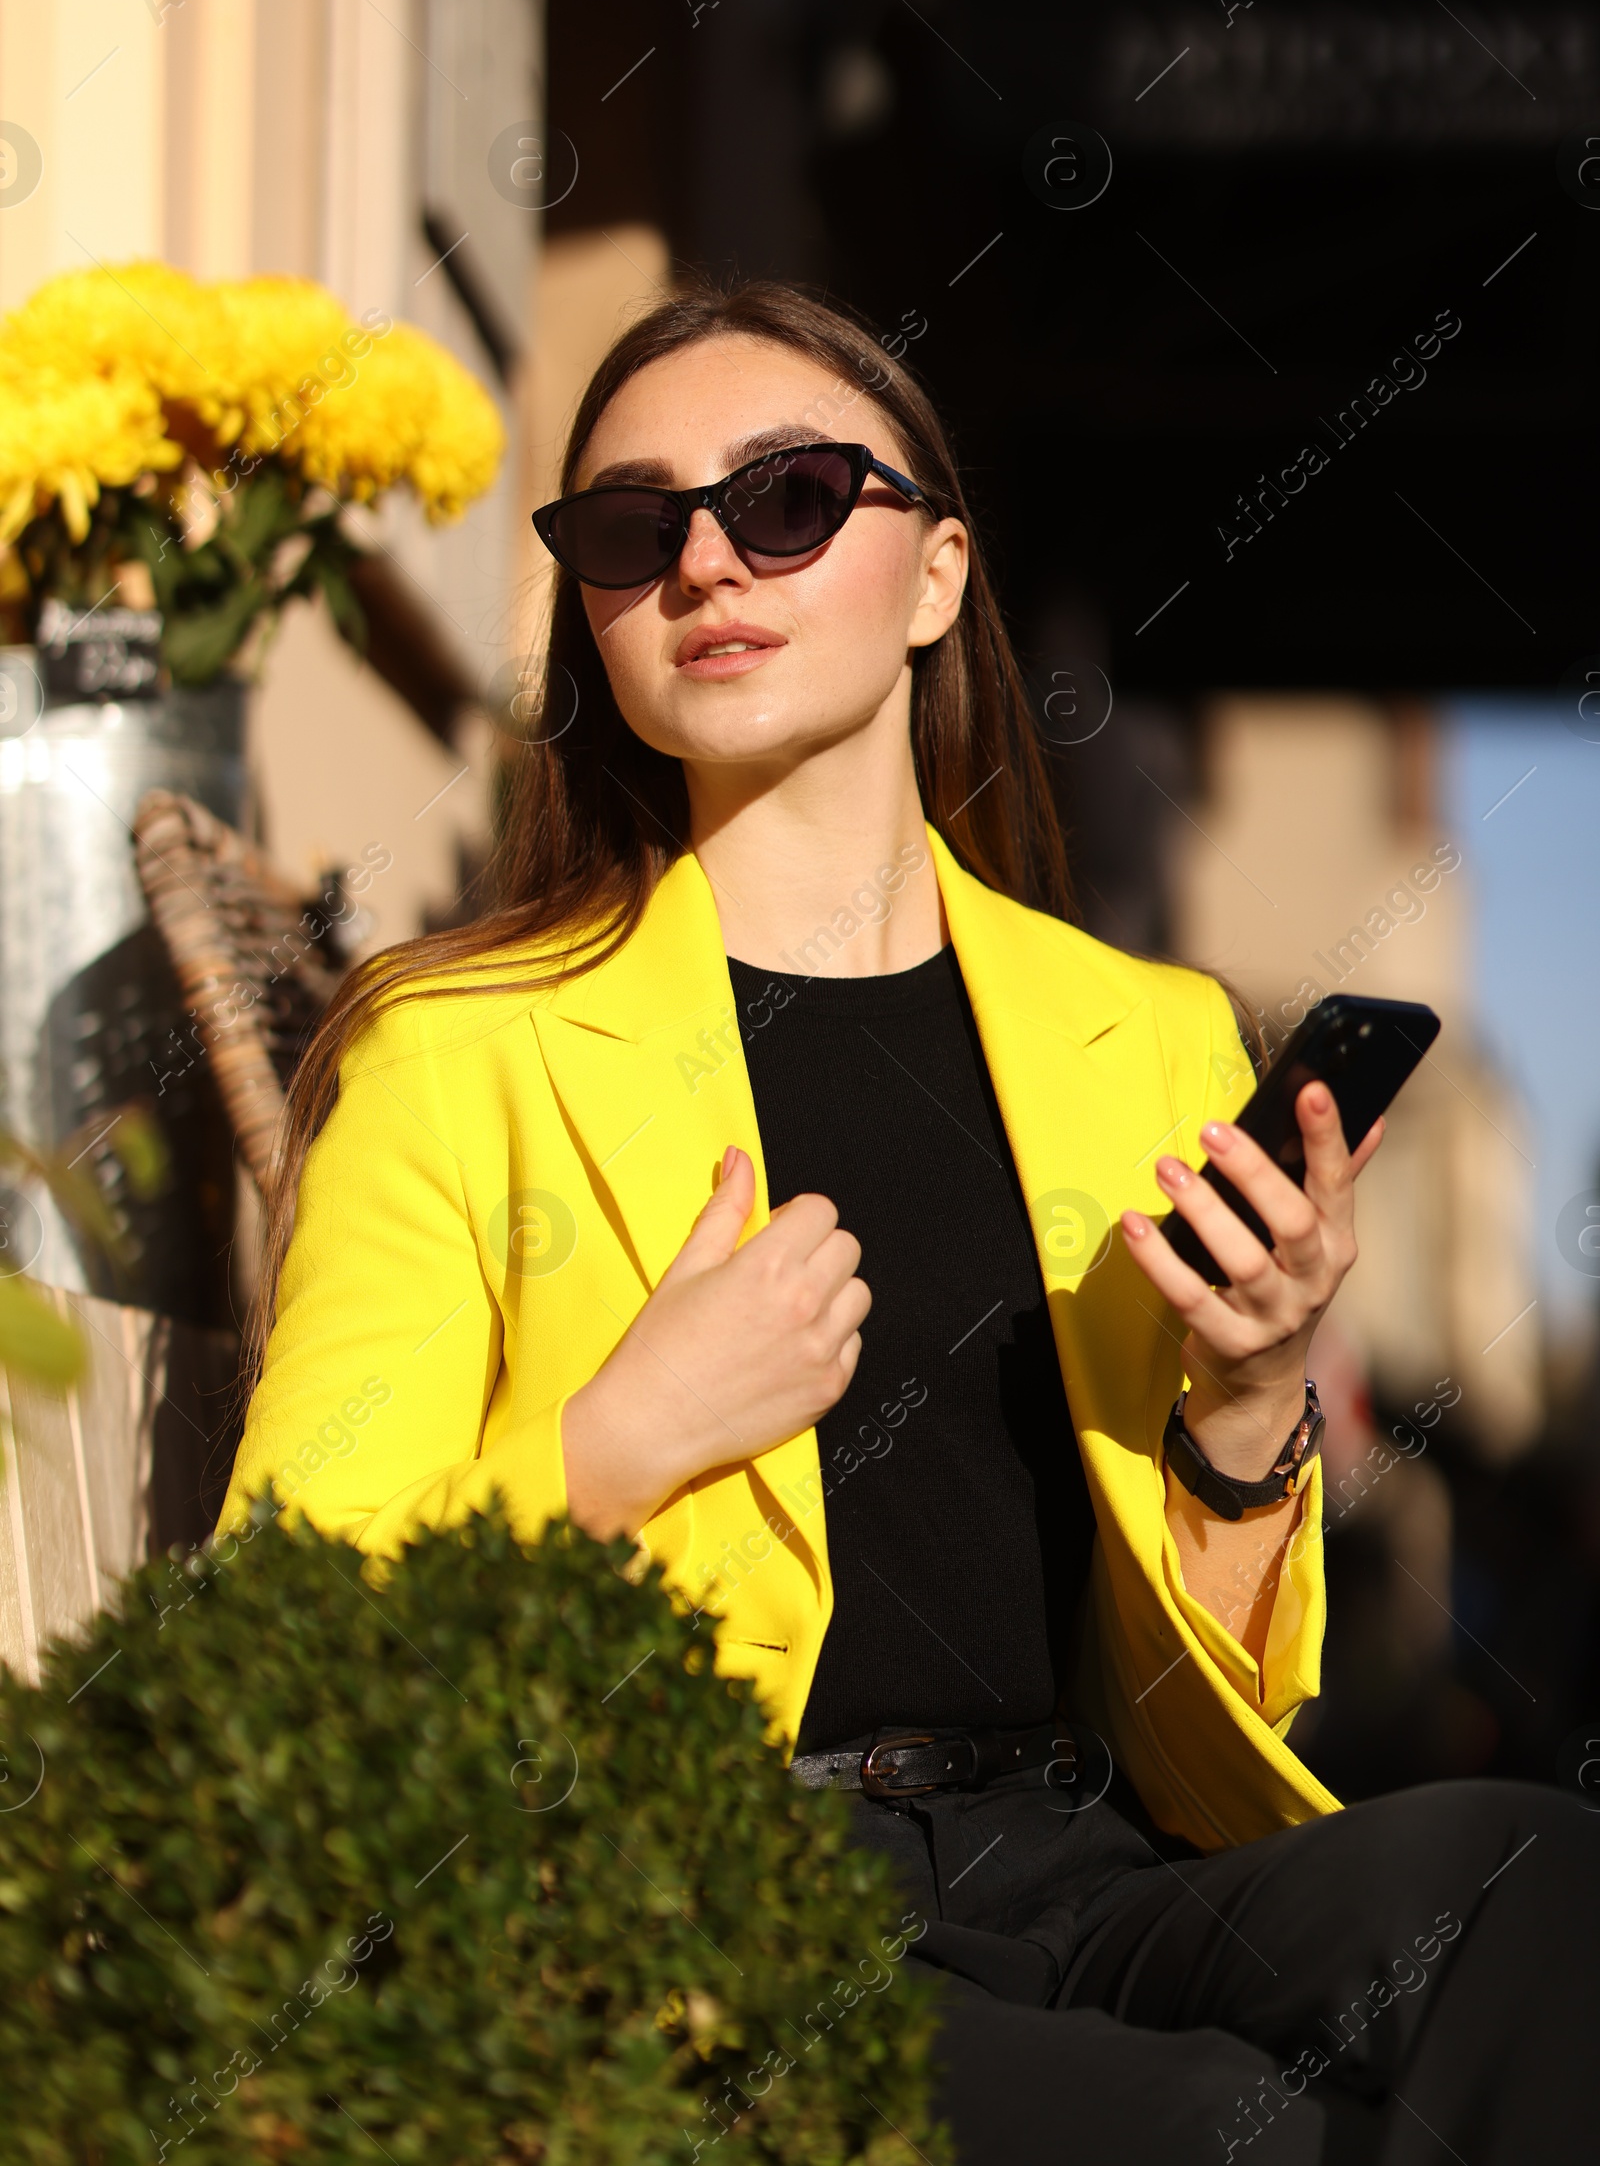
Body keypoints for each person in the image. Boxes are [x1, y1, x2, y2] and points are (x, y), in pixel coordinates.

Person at [221, 280, 1594, 2162]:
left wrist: (1253, 1403)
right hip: (700, 1903)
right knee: (1231, 2128)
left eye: (786, 498)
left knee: (1534, 1880)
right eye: (633, 530)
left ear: (938, 574)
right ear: (594, 616)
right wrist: (624, 1435)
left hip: (1081, 1861)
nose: (706, 559)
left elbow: (1214, 1694)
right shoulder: (455, 1049)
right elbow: (277, 1636)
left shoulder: (1146, 1038)